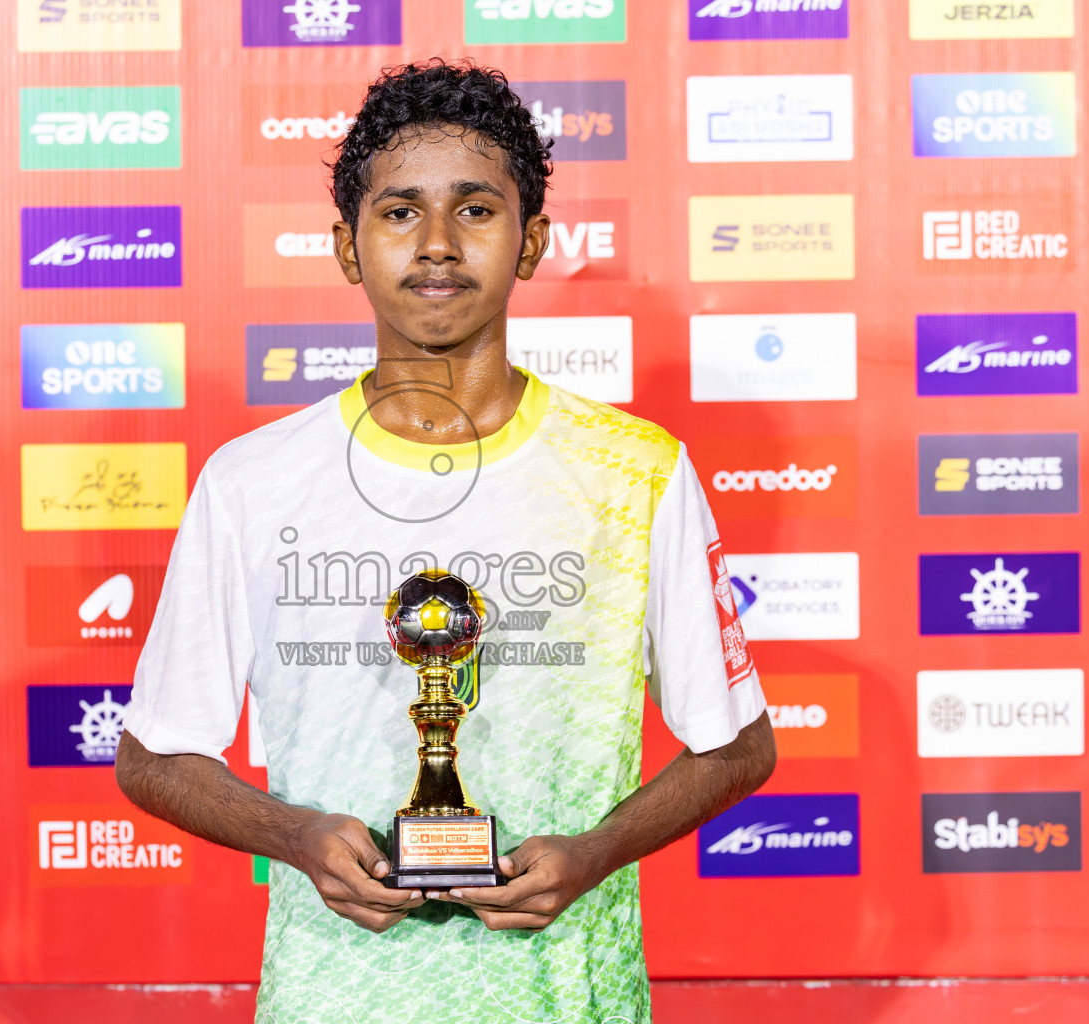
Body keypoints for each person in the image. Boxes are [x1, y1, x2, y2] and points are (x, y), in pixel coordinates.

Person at [116, 58, 776, 1024]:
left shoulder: (638, 472)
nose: (435, 245)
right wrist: (297, 836)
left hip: (566, 995)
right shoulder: (252, 480)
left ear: (532, 240)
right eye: (398, 213)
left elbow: (739, 746)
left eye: (474, 209)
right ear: (348, 247)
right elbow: (154, 755)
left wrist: (591, 854)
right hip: (334, 996)